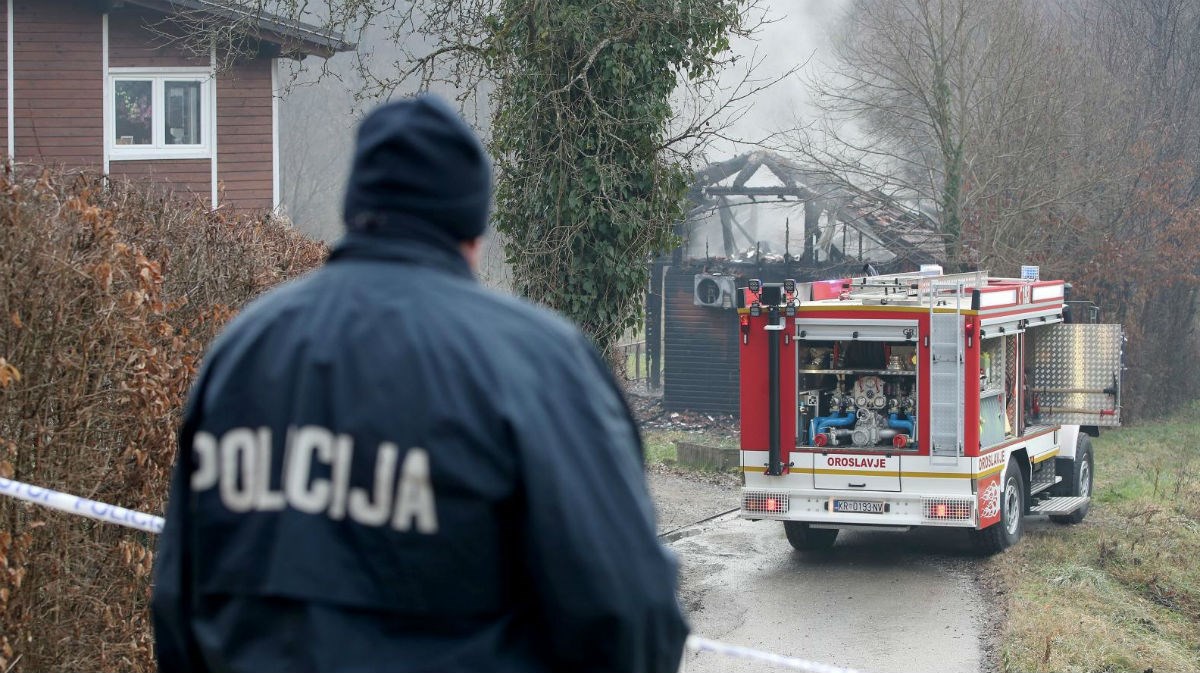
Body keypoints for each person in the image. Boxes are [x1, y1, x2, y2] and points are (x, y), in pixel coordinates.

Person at [151, 94, 689, 673]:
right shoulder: (537, 365)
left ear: (356, 207)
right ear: (473, 230)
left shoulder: (241, 352)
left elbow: (176, 602)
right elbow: (632, 615)